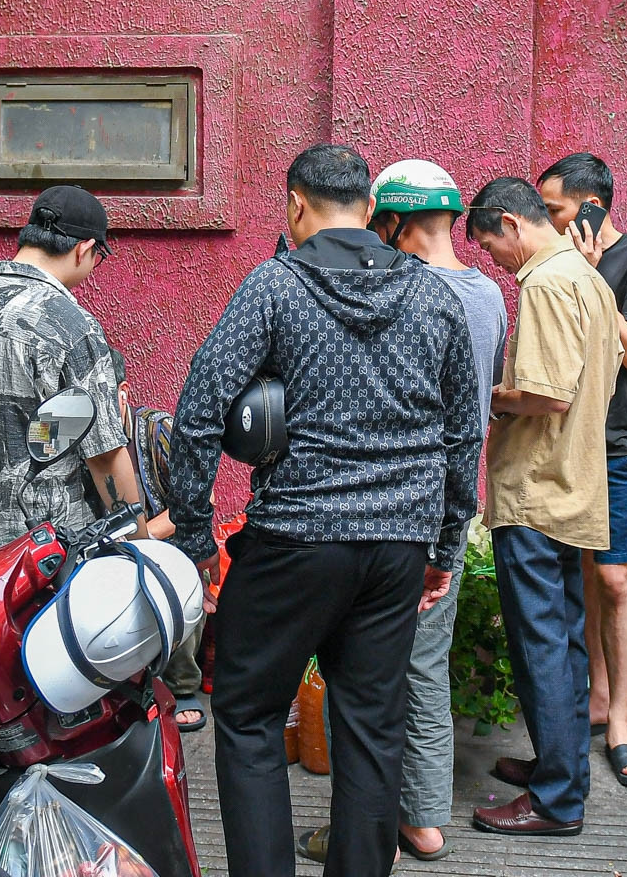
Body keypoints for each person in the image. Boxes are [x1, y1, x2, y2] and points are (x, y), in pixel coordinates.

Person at [168, 144, 482, 877]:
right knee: (372, 729)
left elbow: (199, 408)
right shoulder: (436, 295)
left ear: (295, 206)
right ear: (371, 211)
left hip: (294, 540)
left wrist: (191, 533)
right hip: (397, 547)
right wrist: (443, 545)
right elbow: (464, 433)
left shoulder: (274, 286)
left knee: (247, 718)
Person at [297, 159, 509, 866]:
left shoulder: (398, 294)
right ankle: (422, 816)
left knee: (362, 677)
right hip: (448, 509)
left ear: (392, 221)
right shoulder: (488, 297)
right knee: (424, 667)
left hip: (380, 512)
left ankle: (388, 822)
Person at [465, 177, 622, 837]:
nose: (492, 261)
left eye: (488, 247)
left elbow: (548, 393)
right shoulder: (588, 278)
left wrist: (491, 396)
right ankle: (560, 770)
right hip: (572, 484)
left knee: (541, 650)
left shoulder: (548, 282)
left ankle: (557, 800)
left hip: (536, 490)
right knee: (561, 641)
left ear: (511, 223)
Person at [536, 153, 627, 790]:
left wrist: (592, 279)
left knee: (614, 577)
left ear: (592, 207)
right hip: (569, 441)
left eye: (557, 209)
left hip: (618, 443)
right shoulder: (552, 264)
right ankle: (593, 697)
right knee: (580, 572)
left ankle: (620, 717)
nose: (549, 221)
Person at [0, 184, 140, 554]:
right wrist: (140, 541)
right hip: (50, 549)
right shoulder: (72, 324)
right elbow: (105, 455)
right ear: (84, 249)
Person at [107, 347, 207, 735]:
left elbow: (202, 500)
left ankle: (182, 684)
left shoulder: (157, 429)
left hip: (163, 541)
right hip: (111, 548)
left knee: (173, 568)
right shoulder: (80, 437)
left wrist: (142, 538)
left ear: (124, 393)